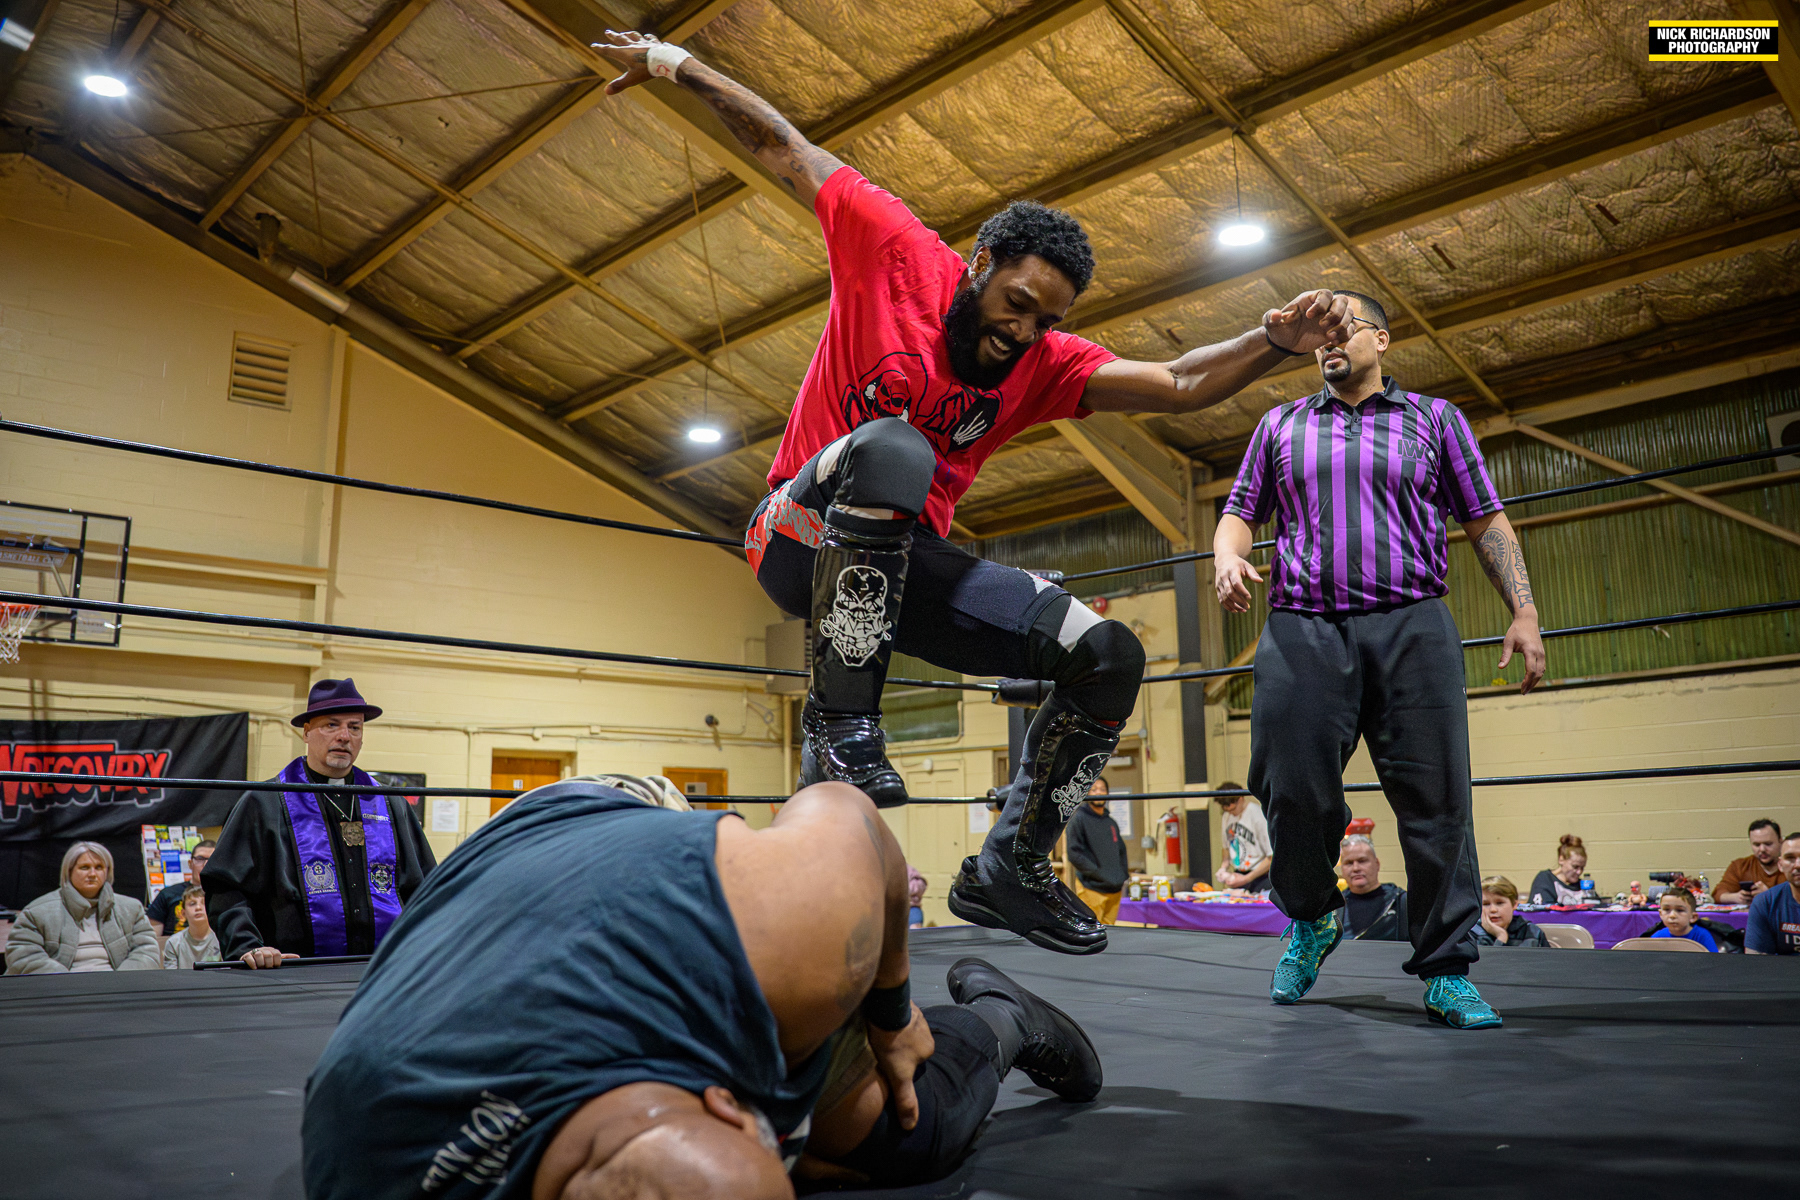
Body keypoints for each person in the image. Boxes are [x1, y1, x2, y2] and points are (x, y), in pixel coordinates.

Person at [587, 32, 1357, 958]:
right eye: (1015, 303)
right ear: (981, 262)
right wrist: (674, 64)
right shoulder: (893, 248)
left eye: (1046, 320)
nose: (1022, 331)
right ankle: (840, 722)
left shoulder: (1045, 362)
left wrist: (1271, 342)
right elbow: (784, 147)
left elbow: (1179, 382)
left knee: (1108, 655)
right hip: (795, 530)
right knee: (895, 449)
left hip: (904, 562)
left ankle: (1011, 864)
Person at [302, 776, 1102, 1198]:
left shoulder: (784, 943)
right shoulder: (357, 1157)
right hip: (512, 902)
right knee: (883, 1136)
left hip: (591, 820)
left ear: (730, 1101)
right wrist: (784, 1145)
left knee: (899, 1118)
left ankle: (996, 1018)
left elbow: (845, 810)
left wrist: (892, 1015)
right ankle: (1002, 1013)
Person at [1216, 290, 1548, 1030]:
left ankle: (1446, 971)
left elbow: (1485, 519)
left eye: (1345, 328)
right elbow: (1239, 512)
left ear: (1383, 339)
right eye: (1321, 335)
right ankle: (1313, 916)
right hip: (1304, 627)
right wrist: (1226, 557)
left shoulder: (1436, 420)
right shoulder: (1280, 425)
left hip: (1412, 625)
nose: (1329, 342)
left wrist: (1523, 610)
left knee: (1437, 802)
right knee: (1290, 790)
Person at [205, 679, 435, 968]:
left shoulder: (390, 804)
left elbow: (426, 888)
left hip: (382, 971)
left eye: (355, 727)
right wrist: (247, 946)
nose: (344, 736)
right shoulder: (265, 802)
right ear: (306, 732)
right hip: (292, 973)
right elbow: (225, 887)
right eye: (331, 725)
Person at [4, 841, 159, 974]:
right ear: (69, 871)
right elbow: (23, 955)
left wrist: (120, 983)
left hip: (119, 988)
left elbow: (146, 951)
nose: (92, 874)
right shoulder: (37, 912)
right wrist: (67, 983)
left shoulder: (131, 908)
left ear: (107, 872)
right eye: (84, 867)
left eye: (99, 867)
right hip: (60, 989)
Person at [1065, 776, 1129, 924]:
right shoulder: (1078, 819)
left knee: (1112, 933)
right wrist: (1098, 873)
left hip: (1115, 890)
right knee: (1093, 931)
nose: (1098, 792)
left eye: (1102, 789)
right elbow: (1074, 854)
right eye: (1093, 789)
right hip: (1092, 889)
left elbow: (1121, 850)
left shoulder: (1110, 822)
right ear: (1087, 793)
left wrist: (1122, 875)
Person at [1338, 835, 1408, 941]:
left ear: (1377, 864)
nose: (1355, 868)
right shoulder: (1335, 908)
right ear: (1342, 869)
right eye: (1349, 863)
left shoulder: (1401, 902)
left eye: (1362, 861)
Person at [144, 838, 215, 936]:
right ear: (190, 864)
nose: (205, 865)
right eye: (200, 859)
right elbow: (152, 937)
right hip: (172, 944)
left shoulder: (225, 895)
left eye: (212, 860)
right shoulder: (168, 894)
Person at [1746, 832, 1800, 955]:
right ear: (1780, 865)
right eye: (1790, 858)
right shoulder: (1765, 902)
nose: (1798, 865)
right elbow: (1754, 959)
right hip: (1782, 968)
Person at [1216, 785, 1272, 893]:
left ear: (1240, 798)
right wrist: (1223, 867)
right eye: (1227, 810)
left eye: (1233, 809)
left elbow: (1271, 857)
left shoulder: (1257, 815)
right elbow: (1226, 847)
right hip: (1239, 873)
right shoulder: (1227, 816)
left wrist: (1246, 879)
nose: (1231, 813)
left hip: (1260, 875)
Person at [1714, 819, 1784, 904]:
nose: (1762, 849)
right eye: (1757, 845)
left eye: (1768, 844)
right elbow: (1717, 894)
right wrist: (1736, 897)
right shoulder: (1741, 866)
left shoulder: (1792, 866)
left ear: (1780, 842)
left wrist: (1768, 895)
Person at [1467, 877, 1549, 948]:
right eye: (1486, 904)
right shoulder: (1471, 934)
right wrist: (1501, 937)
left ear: (1514, 904)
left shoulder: (1533, 932)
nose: (1493, 909)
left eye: (1499, 903)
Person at [162, 885, 222, 968]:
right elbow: (171, 975)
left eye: (203, 903)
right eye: (192, 904)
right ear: (183, 913)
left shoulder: (221, 940)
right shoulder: (173, 943)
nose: (198, 907)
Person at [1648, 888, 1717, 951]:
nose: (1672, 915)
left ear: (1693, 917)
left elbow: (1714, 958)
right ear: (1661, 914)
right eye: (1667, 910)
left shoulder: (1701, 936)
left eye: (1680, 910)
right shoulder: (1658, 937)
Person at [1529, 834, 1588, 906]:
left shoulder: (1583, 885)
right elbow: (1545, 910)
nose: (1579, 872)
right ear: (1561, 859)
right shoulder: (1545, 880)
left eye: (1582, 868)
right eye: (1575, 867)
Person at [907, 863, 928, 929]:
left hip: (912, 909)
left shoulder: (909, 870)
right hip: (891, 912)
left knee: (914, 931)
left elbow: (920, 886)